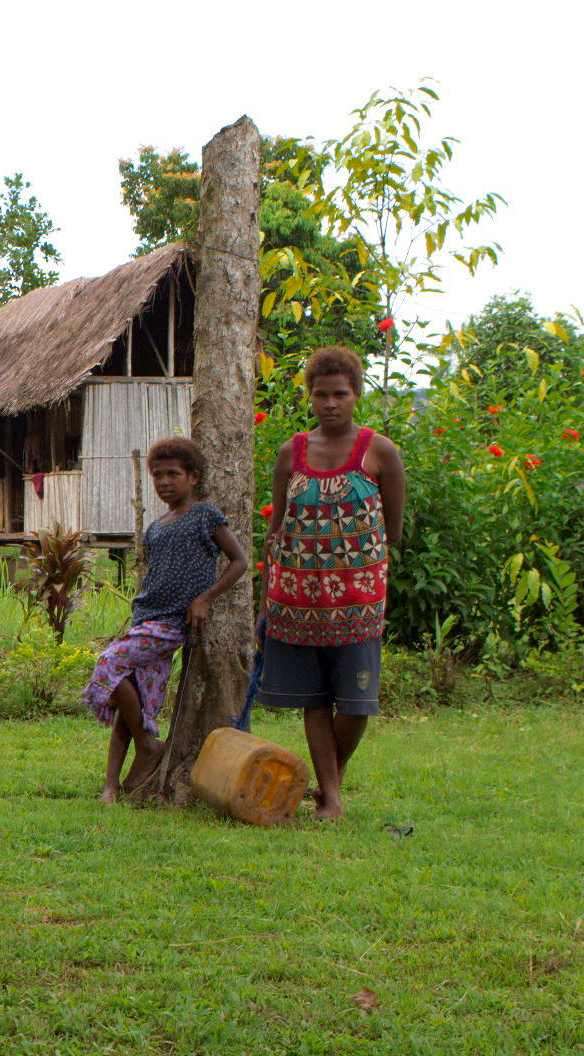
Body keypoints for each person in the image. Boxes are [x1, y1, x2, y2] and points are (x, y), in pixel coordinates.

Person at [259, 346, 404, 821]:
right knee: (315, 699)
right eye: (320, 394)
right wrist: (267, 597)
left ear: (356, 394)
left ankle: (325, 783)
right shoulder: (292, 452)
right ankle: (333, 800)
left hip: (359, 598)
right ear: (310, 396)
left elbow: (394, 531)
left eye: (340, 394)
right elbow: (277, 528)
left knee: (358, 703)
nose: (330, 404)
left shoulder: (379, 451)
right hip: (296, 599)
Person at [81, 438, 250, 802]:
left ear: (193, 477)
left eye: (173, 474)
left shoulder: (204, 515)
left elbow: (239, 561)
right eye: (157, 475)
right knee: (133, 701)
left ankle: (147, 745)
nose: (164, 482)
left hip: (173, 623)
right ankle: (112, 784)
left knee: (107, 663)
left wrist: (205, 598)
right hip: (146, 617)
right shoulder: (156, 526)